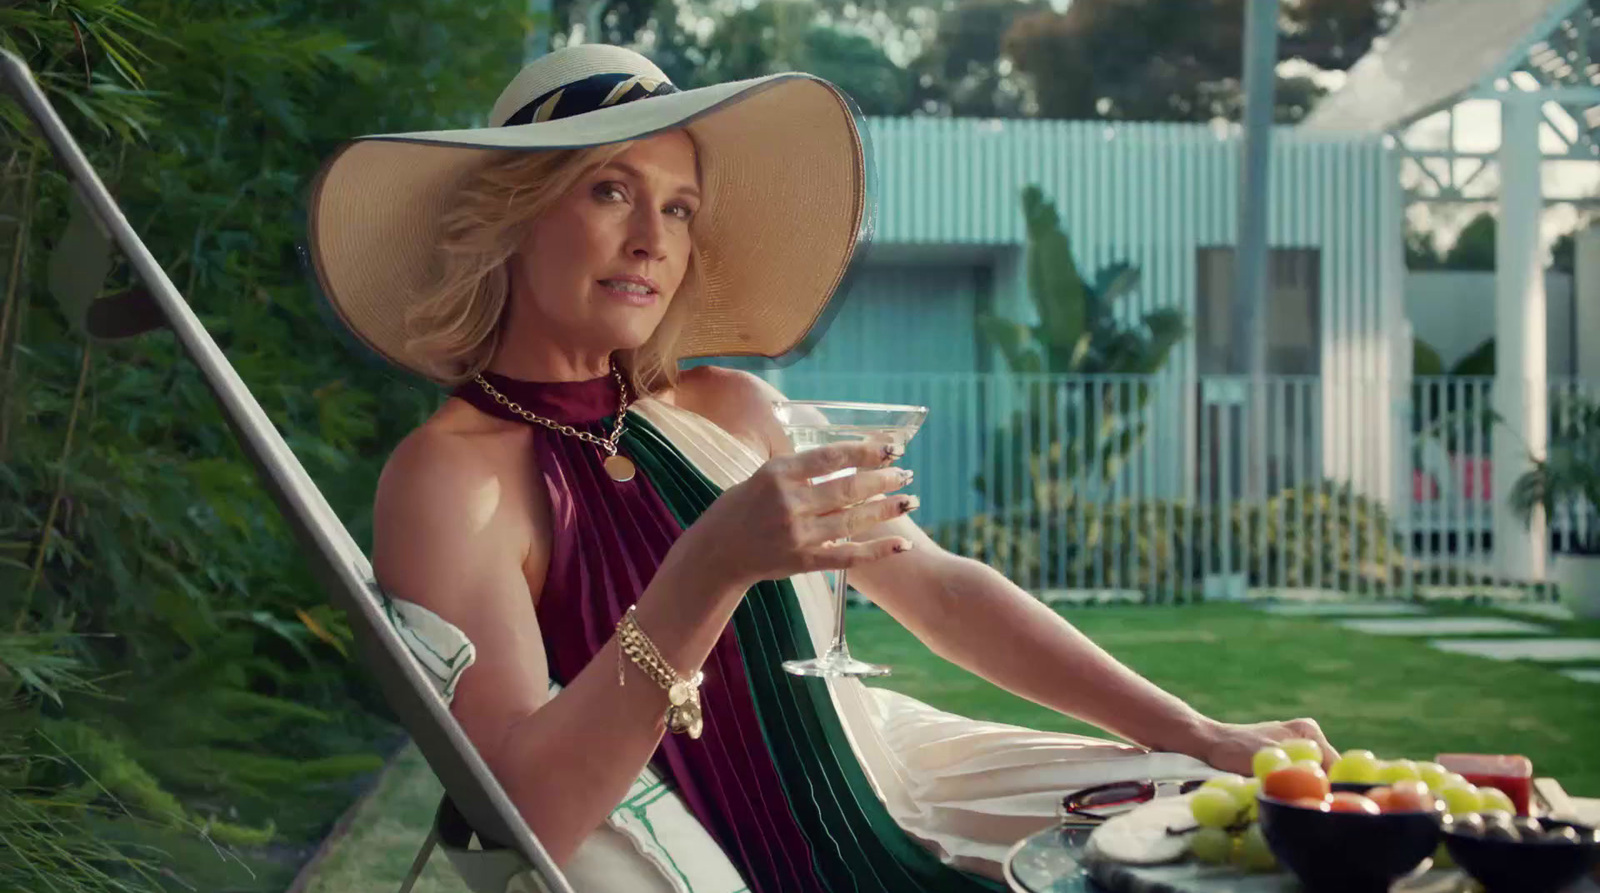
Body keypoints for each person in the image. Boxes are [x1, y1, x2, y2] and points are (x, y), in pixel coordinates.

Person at [306, 44, 1336, 893]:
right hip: (736, 851)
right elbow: (526, 813)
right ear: (514, 215)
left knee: (1234, 818)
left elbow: (933, 588)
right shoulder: (453, 481)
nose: (649, 239)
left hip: (890, 785)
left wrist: (1198, 729)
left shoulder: (735, 409)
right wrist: (706, 566)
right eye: (608, 189)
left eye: (677, 207)